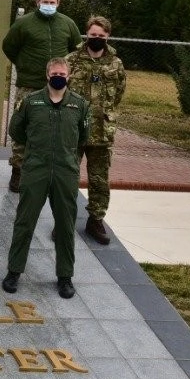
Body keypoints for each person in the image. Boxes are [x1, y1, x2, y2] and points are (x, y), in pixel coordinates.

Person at [3, 57, 89, 299]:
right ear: (47, 75)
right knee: (24, 222)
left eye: (63, 73)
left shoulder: (79, 105)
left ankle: (65, 277)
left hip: (65, 171)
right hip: (35, 170)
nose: (59, 76)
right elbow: (16, 131)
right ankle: (14, 271)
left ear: (69, 76)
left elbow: (83, 136)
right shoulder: (31, 102)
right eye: (55, 73)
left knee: (65, 225)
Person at [2, 0, 82, 192]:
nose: (48, 5)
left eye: (52, 2)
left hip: (58, 89)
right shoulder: (24, 24)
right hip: (29, 85)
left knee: (55, 129)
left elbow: (76, 50)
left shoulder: (67, 24)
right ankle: (17, 172)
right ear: (37, 2)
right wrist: (23, 65)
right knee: (24, 127)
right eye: (45, 2)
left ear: (58, 3)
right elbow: (9, 47)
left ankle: (48, 173)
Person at [65, 15, 126, 245]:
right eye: (93, 35)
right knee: (68, 177)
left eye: (101, 36)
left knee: (99, 179)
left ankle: (96, 220)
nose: (97, 39)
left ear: (107, 37)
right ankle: (64, 221)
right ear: (86, 34)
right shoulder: (72, 60)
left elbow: (119, 93)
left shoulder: (116, 64)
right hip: (75, 129)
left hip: (102, 131)